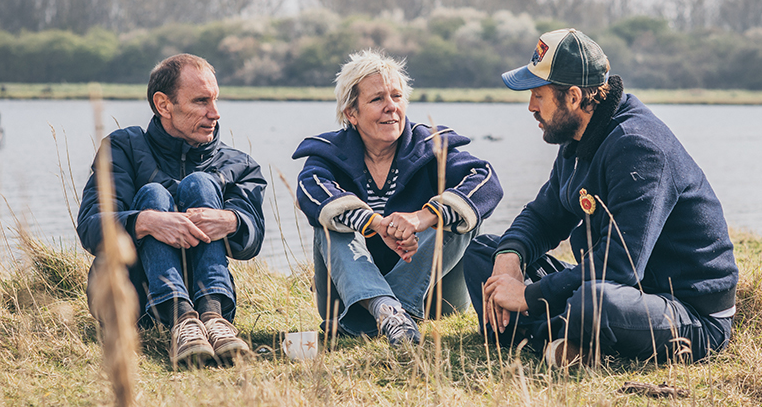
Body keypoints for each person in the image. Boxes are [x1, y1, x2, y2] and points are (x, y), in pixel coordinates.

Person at [464, 29, 738, 365]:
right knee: (482, 252)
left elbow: (619, 266)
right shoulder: (577, 137)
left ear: (574, 97)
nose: (530, 106)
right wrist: (510, 256)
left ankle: (539, 336)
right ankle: (560, 341)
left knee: (592, 302)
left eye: (538, 95)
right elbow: (544, 216)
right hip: (623, 289)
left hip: (687, 312)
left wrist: (529, 296)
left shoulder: (638, 147)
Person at [293, 50, 503, 347]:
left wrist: (423, 217)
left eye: (397, 96)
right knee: (329, 219)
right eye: (377, 99)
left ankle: (392, 311)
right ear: (351, 113)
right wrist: (375, 223)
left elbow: (486, 181)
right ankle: (385, 309)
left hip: (433, 300)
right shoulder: (328, 152)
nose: (391, 107)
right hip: (347, 299)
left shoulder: (431, 145)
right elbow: (312, 191)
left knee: (461, 213)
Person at [76, 54, 267, 367]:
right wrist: (145, 222)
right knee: (152, 193)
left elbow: (253, 239)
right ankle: (181, 319)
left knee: (202, 184)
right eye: (201, 101)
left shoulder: (238, 165)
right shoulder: (122, 148)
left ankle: (210, 317)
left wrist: (231, 221)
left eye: (215, 100)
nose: (215, 113)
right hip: (130, 302)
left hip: (211, 305)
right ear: (163, 104)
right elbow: (90, 227)